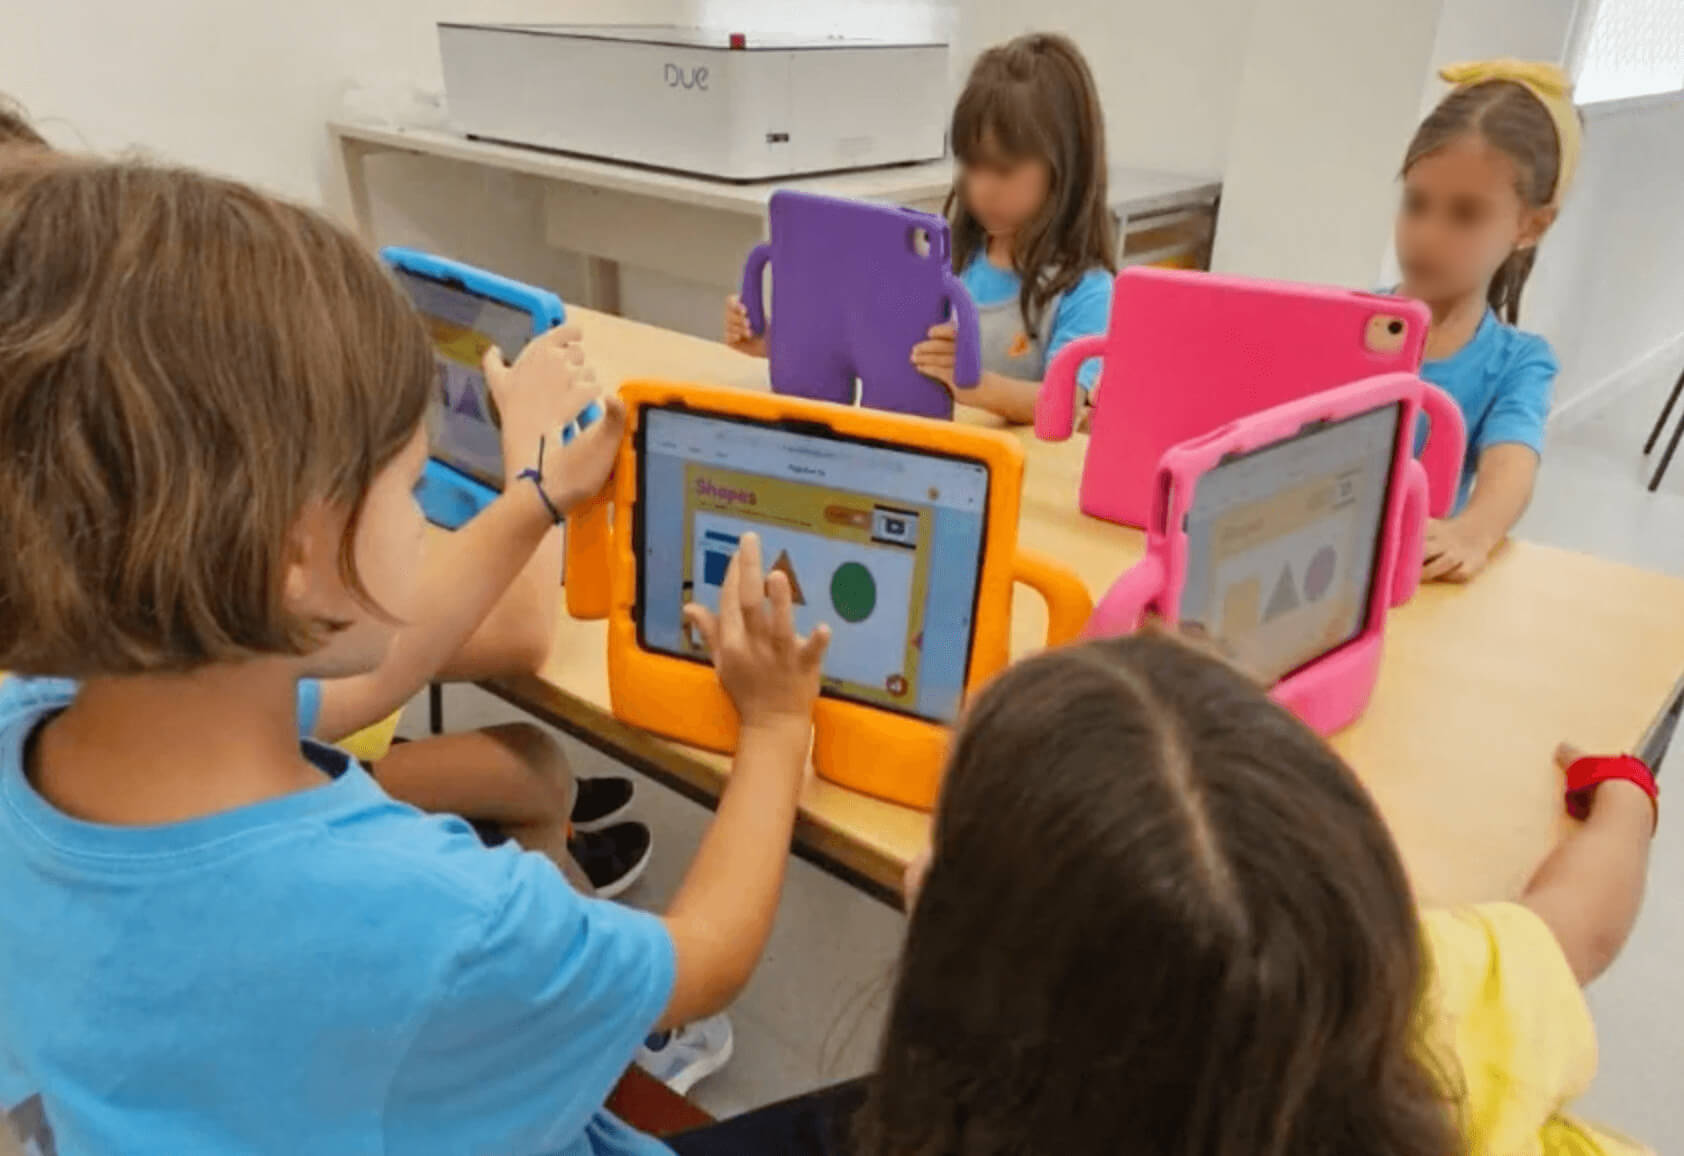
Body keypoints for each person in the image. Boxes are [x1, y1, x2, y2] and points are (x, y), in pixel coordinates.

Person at [0, 152, 830, 1154]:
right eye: (407, 483)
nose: (420, 506)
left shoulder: (55, 722)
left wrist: (533, 497)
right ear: (299, 551)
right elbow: (704, 958)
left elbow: (379, 673)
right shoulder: (427, 909)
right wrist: (779, 725)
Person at [0, 92, 651, 899]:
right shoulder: (370, 884)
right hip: (337, 793)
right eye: (400, 486)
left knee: (530, 768)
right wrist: (532, 466)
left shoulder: (50, 686)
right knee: (534, 767)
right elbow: (511, 635)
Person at [665, 631, 1655, 1155]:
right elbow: (1580, 927)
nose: (921, 865)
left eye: (946, 848)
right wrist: (1625, 798)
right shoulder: (1420, 1004)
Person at [725, 32, 1116, 424]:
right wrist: (770, 343)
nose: (981, 188)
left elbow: (1069, 404)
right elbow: (875, 352)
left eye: (1002, 170)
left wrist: (978, 385)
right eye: (971, 165)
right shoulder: (947, 258)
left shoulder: (1086, 290)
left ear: (1066, 168)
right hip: (931, 457)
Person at [1396, 60, 1581, 582]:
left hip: (1416, 580)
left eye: (1465, 214)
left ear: (1530, 225)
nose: (1427, 235)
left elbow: (1512, 465)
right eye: (1416, 203)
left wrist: (1473, 532)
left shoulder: (1519, 364)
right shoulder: (1344, 322)